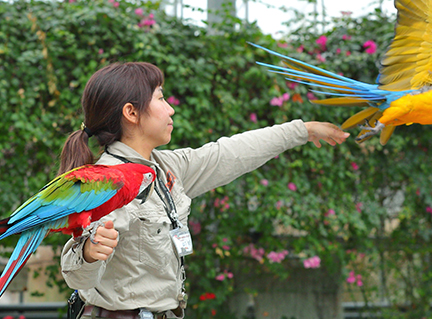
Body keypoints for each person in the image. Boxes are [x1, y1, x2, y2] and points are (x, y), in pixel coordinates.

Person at [60, 62, 350, 319]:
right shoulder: (109, 181)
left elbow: (229, 153)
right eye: (161, 98)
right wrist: (89, 251)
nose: (171, 108)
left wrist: (302, 130)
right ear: (131, 113)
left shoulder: (164, 166)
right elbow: (76, 274)